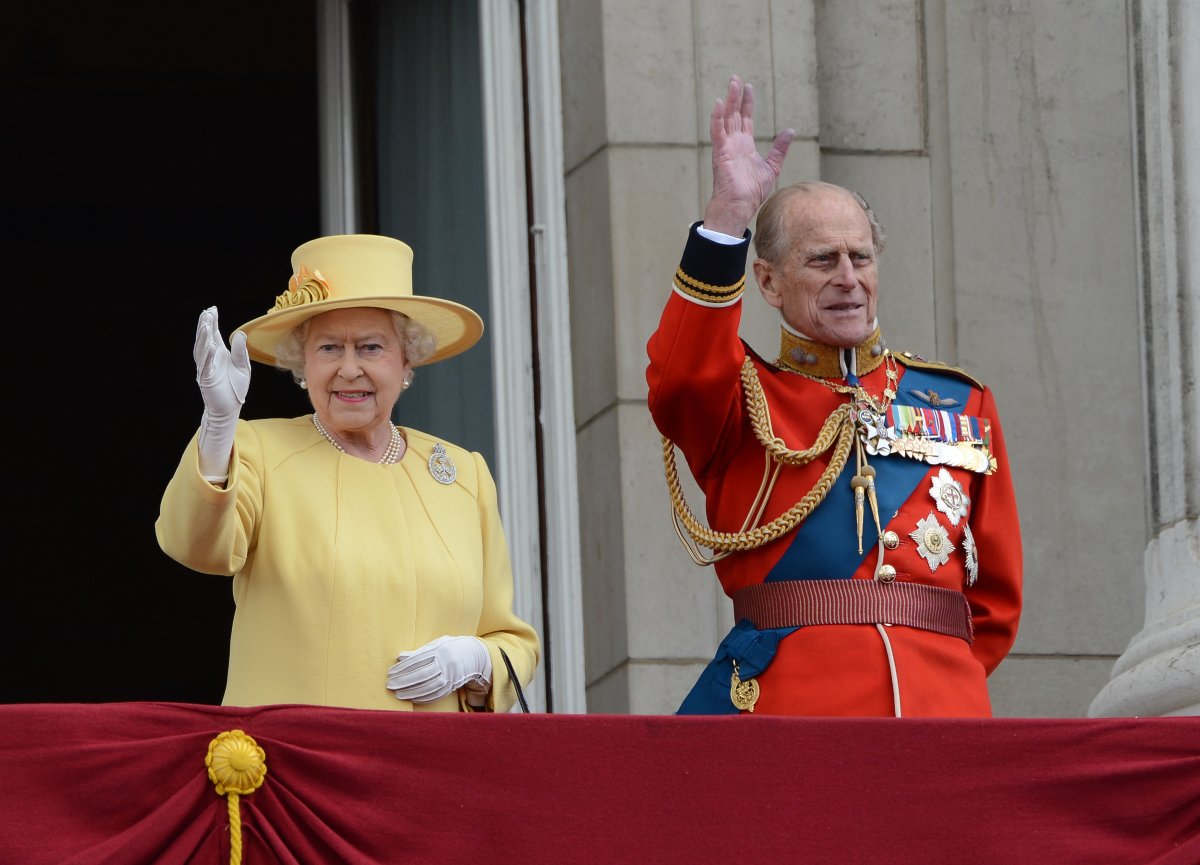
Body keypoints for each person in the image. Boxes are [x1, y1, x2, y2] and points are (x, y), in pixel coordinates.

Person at [646, 75, 1022, 717]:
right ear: (767, 280)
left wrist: (939, 678)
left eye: (861, 258)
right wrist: (727, 222)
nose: (849, 279)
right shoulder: (741, 401)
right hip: (795, 716)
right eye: (823, 260)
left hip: (942, 711)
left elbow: (993, 605)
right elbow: (680, 374)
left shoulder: (961, 404)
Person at [156, 233, 540, 713]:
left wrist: (477, 660)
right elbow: (194, 545)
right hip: (301, 765)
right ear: (302, 364)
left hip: (433, 768)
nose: (349, 369)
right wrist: (217, 429)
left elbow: (512, 640)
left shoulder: (464, 474)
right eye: (329, 348)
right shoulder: (259, 450)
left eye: (371, 347)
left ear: (406, 361)